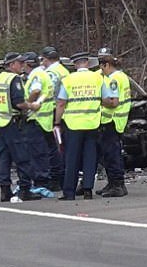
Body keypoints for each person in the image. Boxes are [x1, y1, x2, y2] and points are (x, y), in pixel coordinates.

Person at [54, 52, 118, 200]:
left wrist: (57, 122)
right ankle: (88, 189)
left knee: (72, 159)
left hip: (73, 124)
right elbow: (107, 100)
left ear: (75, 64)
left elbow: (61, 103)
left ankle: (69, 192)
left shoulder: (68, 80)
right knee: (90, 157)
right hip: (92, 123)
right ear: (88, 63)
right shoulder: (97, 78)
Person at [0, 52, 41, 202]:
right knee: (22, 156)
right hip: (13, 122)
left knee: (3, 158)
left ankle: (5, 190)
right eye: (19, 63)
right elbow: (19, 103)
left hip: (0, 122)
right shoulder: (14, 80)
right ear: (11, 65)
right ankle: (25, 189)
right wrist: (32, 106)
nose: (22, 65)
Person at [20, 52, 56, 191]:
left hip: (37, 118)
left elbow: (36, 91)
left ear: (27, 64)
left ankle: (41, 181)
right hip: (45, 118)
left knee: (37, 153)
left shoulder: (36, 75)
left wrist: (27, 105)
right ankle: (45, 179)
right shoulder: (43, 73)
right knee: (45, 151)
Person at [97, 53, 131, 197]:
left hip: (112, 120)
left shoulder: (113, 79)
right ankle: (113, 183)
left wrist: (98, 99)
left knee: (112, 155)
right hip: (118, 120)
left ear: (106, 65)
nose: (101, 70)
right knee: (110, 154)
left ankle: (117, 184)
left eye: (101, 67)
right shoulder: (122, 76)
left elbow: (113, 102)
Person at [40, 46, 70, 190]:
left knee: (53, 147)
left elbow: (49, 92)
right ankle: (62, 177)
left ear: (47, 59)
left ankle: (56, 179)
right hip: (66, 112)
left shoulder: (51, 72)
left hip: (53, 111)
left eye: (43, 60)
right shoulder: (64, 70)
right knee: (61, 146)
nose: (42, 63)